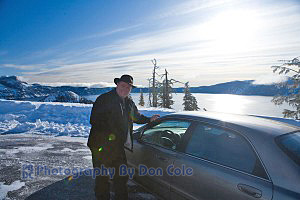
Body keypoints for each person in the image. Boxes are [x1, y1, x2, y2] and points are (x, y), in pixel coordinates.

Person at [88, 74, 159, 200]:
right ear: (117, 85)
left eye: (128, 87)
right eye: (123, 86)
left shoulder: (129, 103)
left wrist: (149, 120)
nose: (125, 89)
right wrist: (112, 134)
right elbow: (94, 120)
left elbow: (136, 117)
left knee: (121, 177)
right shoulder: (104, 99)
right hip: (100, 146)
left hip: (117, 147)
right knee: (102, 178)